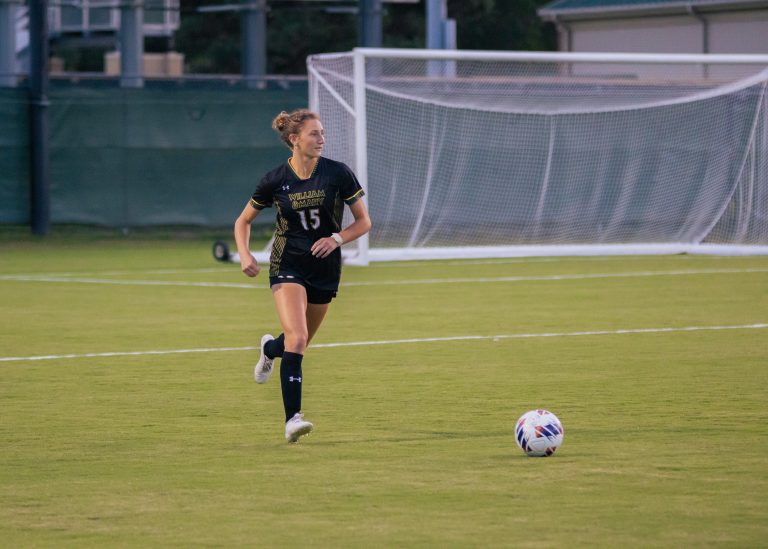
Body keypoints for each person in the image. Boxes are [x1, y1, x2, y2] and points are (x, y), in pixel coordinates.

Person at [233, 109, 372, 443]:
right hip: (288, 264)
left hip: (325, 267)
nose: (321, 139)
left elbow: (364, 222)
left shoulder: (338, 173)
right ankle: (292, 419)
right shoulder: (275, 179)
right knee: (297, 339)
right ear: (294, 139)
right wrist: (245, 254)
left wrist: (336, 238)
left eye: (322, 133)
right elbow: (243, 221)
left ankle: (270, 350)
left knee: (299, 341)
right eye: (314, 133)